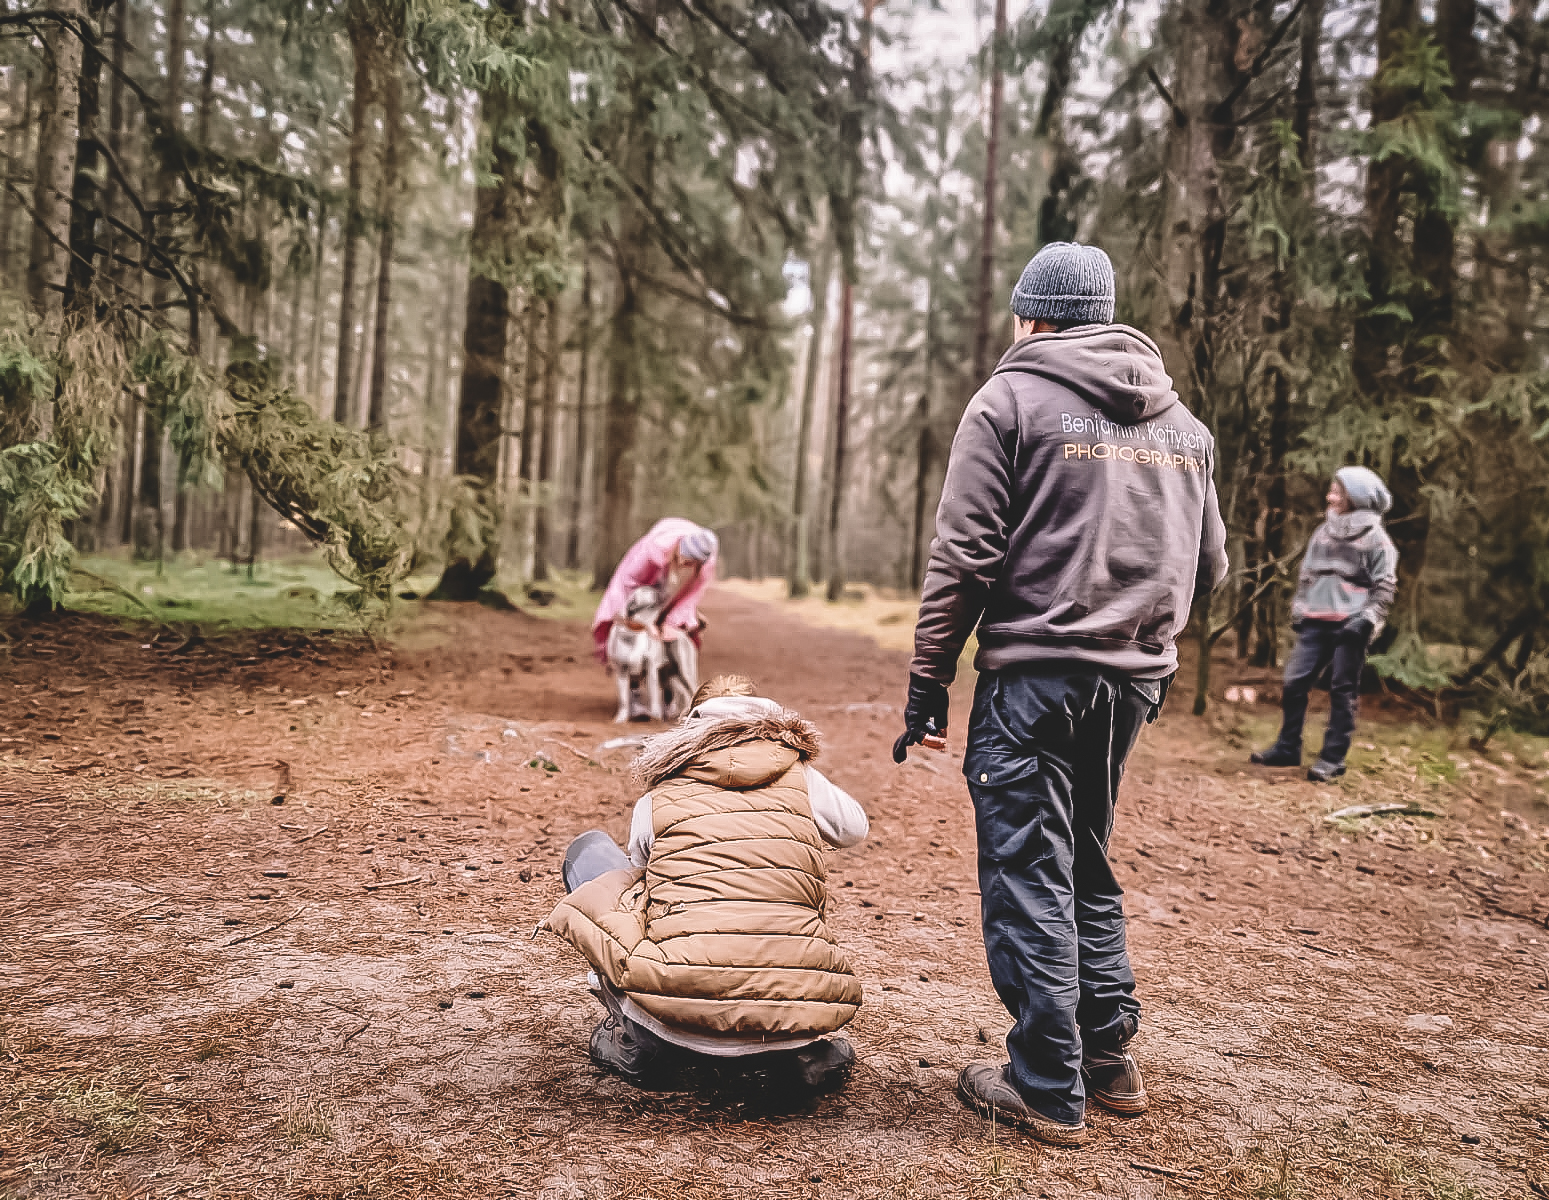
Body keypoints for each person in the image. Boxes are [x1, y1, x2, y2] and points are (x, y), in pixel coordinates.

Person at [893, 242, 1227, 1146]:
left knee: (1028, 869)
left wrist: (929, 680)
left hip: (1034, 682)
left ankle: (1046, 1083)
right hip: (1131, 686)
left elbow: (965, 556)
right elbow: (1211, 566)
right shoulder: (1185, 428)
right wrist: (1137, 639)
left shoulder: (1007, 402)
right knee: (1084, 855)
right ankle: (1109, 1055)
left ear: (1032, 314)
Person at [543, 675, 867, 1092]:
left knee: (593, 857)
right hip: (792, 1022)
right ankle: (797, 1054)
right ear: (767, 717)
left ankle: (638, 1041)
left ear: (691, 722)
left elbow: (645, 877)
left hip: (674, 1019)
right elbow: (854, 829)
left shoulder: (661, 791)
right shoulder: (802, 777)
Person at [1250, 467, 1398, 783]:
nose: (1330, 497)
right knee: (1294, 681)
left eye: (1338, 493)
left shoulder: (1376, 539)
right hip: (1315, 622)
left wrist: (1368, 620)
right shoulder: (1323, 532)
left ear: (1356, 498)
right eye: (1331, 491)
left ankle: (1333, 758)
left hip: (1351, 625)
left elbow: (1384, 586)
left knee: (1342, 690)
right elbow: (1307, 575)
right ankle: (1288, 747)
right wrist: (1300, 610)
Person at [592, 519, 718, 661]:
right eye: (684, 557)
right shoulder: (654, 548)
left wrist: (671, 623)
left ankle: (682, 625)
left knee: (676, 610)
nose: (683, 563)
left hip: (680, 575)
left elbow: (692, 595)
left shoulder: (705, 566)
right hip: (649, 568)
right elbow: (630, 582)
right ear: (678, 546)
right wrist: (641, 618)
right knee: (640, 602)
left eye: (690, 562)